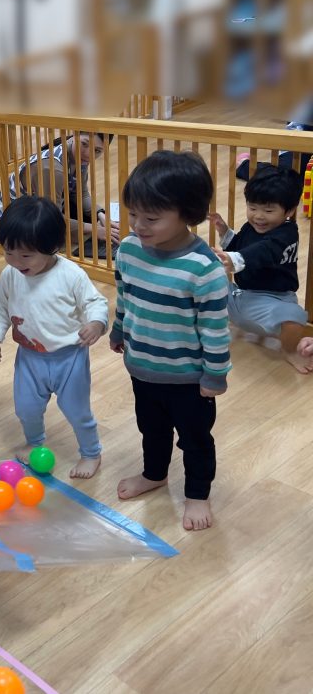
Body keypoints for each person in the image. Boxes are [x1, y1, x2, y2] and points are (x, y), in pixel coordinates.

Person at [111, 150, 231, 532]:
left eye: (151, 218)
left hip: (188, 380)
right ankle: (154, 474)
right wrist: (118, 329)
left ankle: (197, 493)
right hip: (143, 368)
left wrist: (215, 375)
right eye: (133, 214)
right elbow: (125, 295)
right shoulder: (128, 249)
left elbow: (215, 329)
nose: (138, 225)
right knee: (151, 429)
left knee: (195, 440)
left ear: (187, 213)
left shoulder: (204, 269)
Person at [0, 196, 109, 479]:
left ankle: (91, 453)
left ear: (52, 247)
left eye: (26, 255)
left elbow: (95, 302)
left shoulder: (71, 275)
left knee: (76, 411)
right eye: (8, 252)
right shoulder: (11, 274)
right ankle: (34, 442)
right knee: (26, 408)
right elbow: (1, 308)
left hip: (69, 358)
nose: (16, 261)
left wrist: (96, 323)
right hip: (29, 357)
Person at [209, 164, 312, 374]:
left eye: (268, 210)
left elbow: (264, 251)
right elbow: (240, 246)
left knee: (294, 316)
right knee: (205, 282)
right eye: (253, 207)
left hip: (271, 302)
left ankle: (289, 350)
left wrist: (235, 259)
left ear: (290, 211)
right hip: (239, 297)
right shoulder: (251, 227)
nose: (258, 216)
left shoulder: (287, 234)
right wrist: (224, 231)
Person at [0, 131, 120, 257]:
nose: (89, 154)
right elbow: (51, 217)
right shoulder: (53, 168)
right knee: (66, 230)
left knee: (87, 218)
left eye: (97, 150)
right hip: (12, 219)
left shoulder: (78, 156)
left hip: (39, 208)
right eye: (84, 144)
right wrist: (94, 229)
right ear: (74, 135)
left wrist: (101, 214)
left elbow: (81, 193)